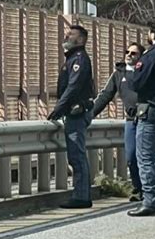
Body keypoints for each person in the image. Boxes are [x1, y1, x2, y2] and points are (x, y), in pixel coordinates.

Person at [48, 25, 95, 209]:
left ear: (81, 39)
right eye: (67, 32)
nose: (66, 35)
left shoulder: (79, 59)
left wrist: (58, 109)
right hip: (73, 112)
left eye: (71, 34)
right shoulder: (71, 59)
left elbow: (73, 87)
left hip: (77, 112)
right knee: (76, 155)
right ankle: (81, 194)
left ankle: (82, 196)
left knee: (77, 155)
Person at [127, 19, 155, 217]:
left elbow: (136, 83)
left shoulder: (151, 56)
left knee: (145, 158)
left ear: (153, 34)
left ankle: (151, 201)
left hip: (152, 113)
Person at [93, 42, 145, 201]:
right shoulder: (119, 74)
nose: (129, 55)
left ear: (141, 57)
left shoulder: (145, 72)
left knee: (148, 157)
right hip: (131, 120)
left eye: (134, 53)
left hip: (147, 119)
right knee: (131, 156)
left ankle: (152, 190)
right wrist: (90, 114)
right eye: (127, 51)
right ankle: (138, 188)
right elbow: (106, 95)